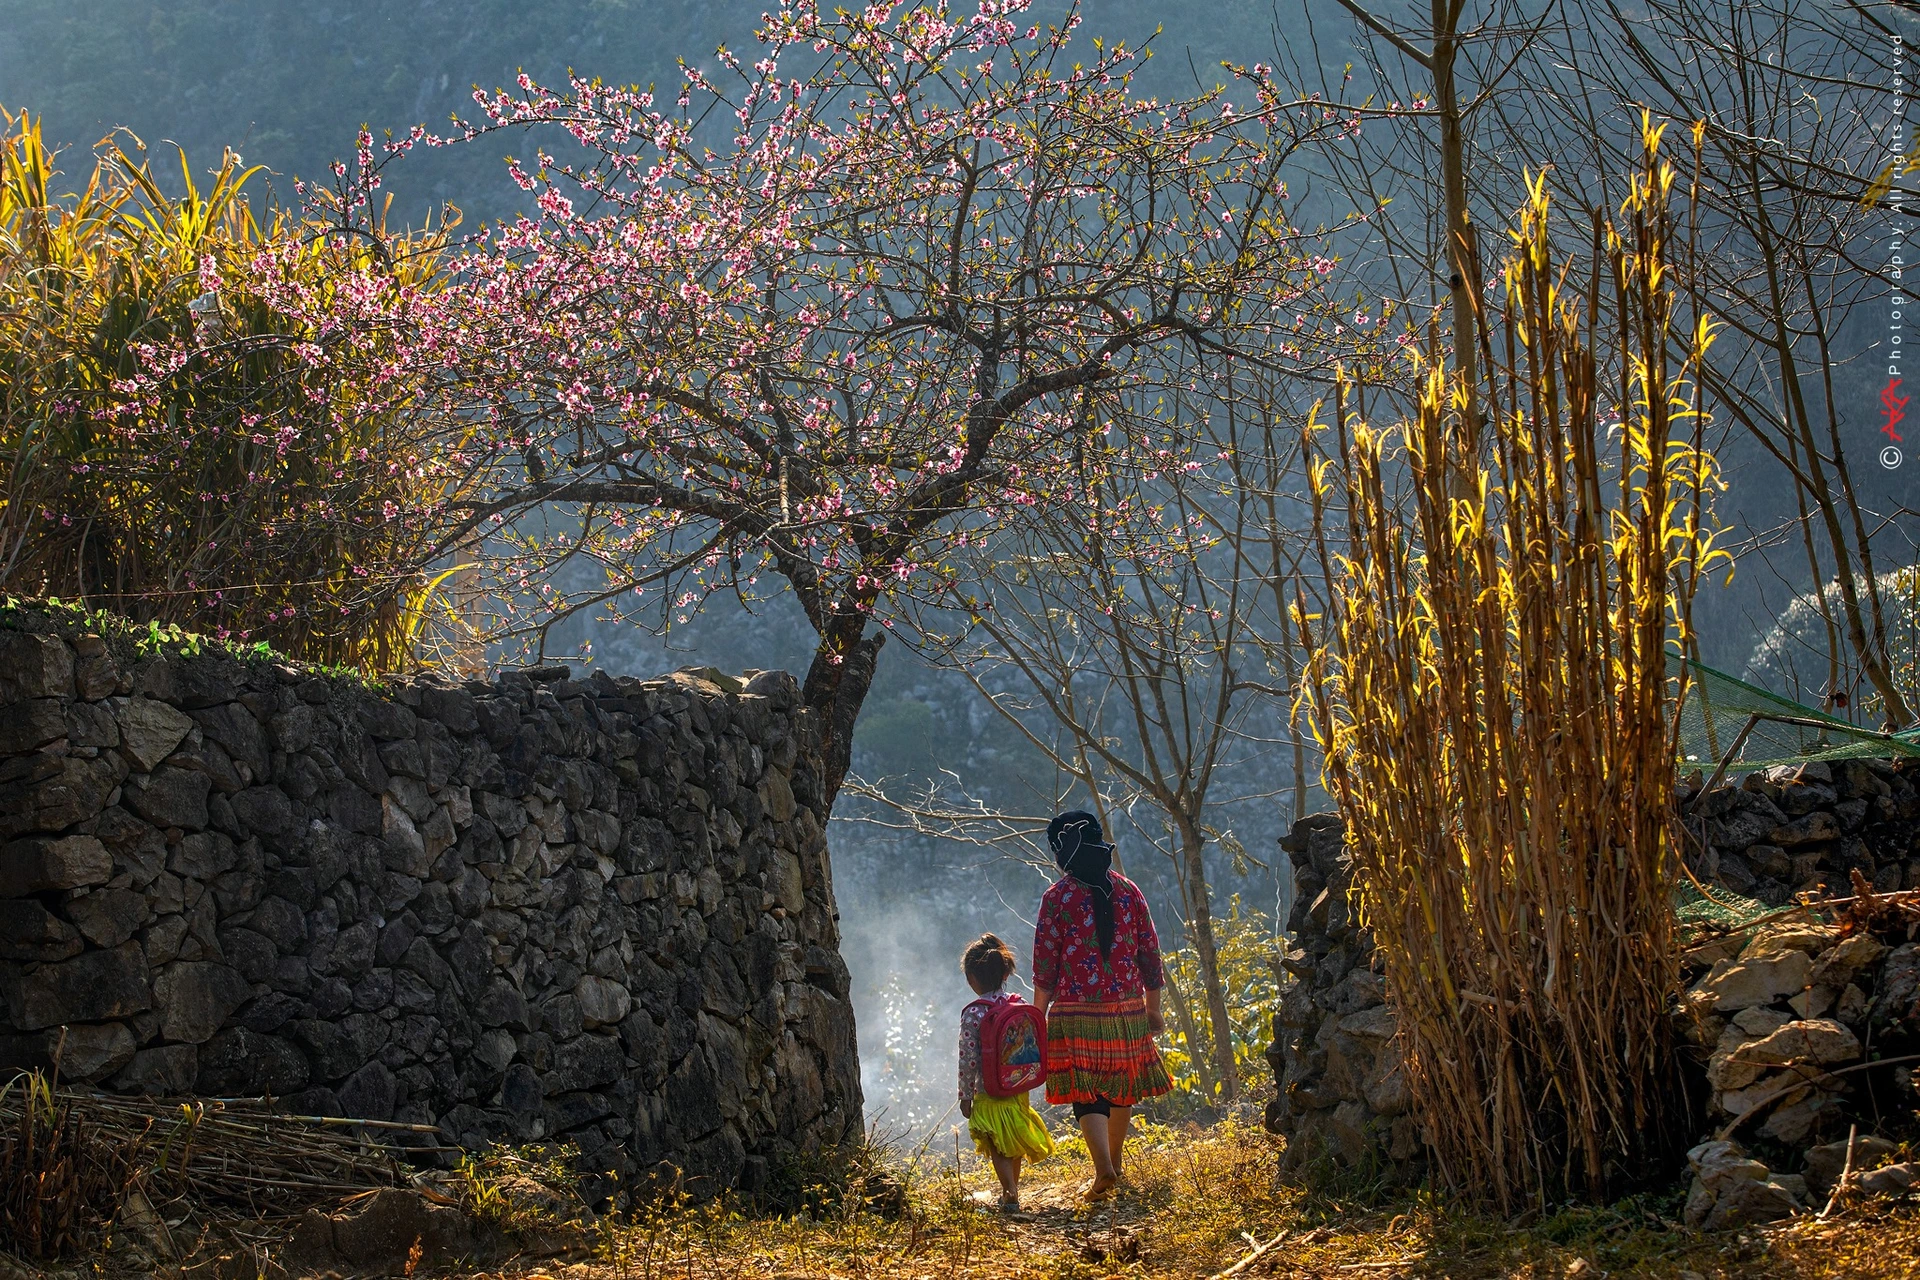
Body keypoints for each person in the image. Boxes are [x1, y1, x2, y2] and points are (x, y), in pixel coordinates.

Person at [1032, 810, 1171, 1200]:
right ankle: (1116, 1163)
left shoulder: (1057, 898)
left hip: (1076, 1011)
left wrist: (1036, 1016)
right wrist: (1153, 1006)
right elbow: (1150, 953)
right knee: (1120, 1086)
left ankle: (1103, 1170)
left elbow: (1045, 963)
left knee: (1087, 1091)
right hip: (1126, 1007)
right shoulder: (1129, 891)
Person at [957, 932, 1056, 1213]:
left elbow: (967, 1059)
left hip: (988, 1089)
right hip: (1017, 1085)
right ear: (1004, 974)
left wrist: (966, 1095)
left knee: (997, 1143)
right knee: (1011, 1139)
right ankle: (1011, 1190)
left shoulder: (974, 1013)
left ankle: (1009, 1192)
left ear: (972, 979)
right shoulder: (1017, 1002)